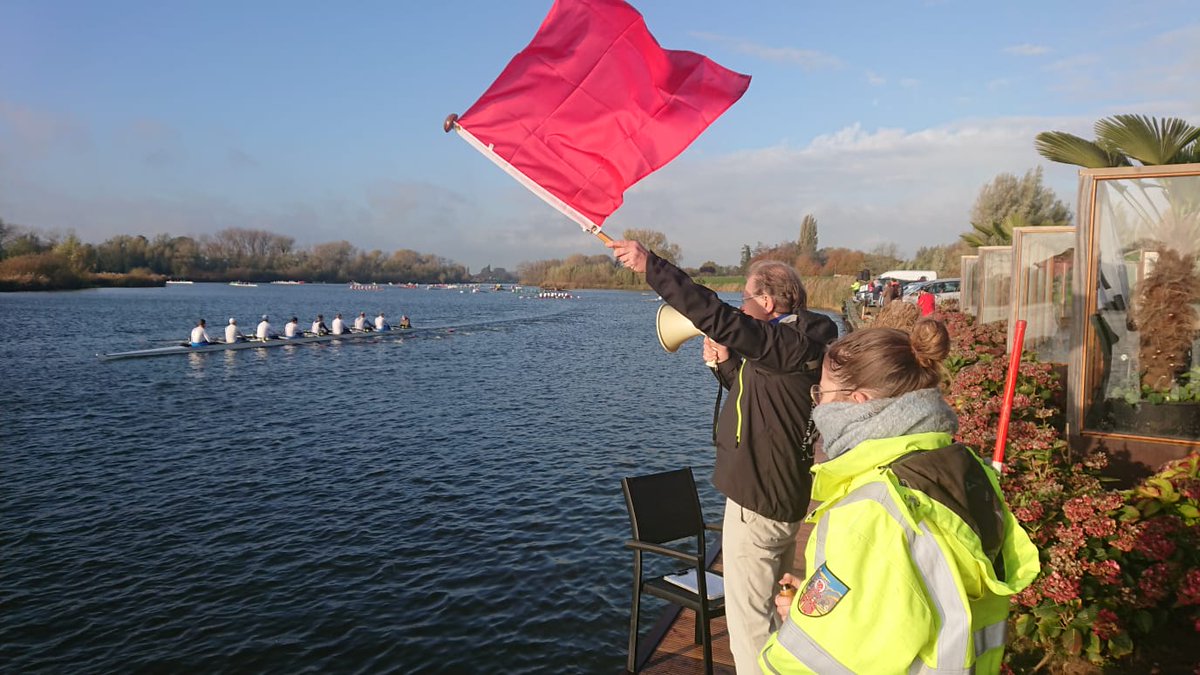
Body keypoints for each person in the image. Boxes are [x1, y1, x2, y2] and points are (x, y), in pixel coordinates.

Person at [758, 320, 1040, 674]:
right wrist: (817, 601)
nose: (816, 405)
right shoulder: (962, 469)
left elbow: (826, 662)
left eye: (822, 393)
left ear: (856, 403)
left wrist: (788, 636)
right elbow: (910, 594)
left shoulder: (871, 509)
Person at [608, 239, 837, 674]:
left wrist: (650, 266)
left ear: (767, 302)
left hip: (757, 501)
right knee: (774, 609)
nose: (740, 308)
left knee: (749, 623)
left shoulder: (783, 344)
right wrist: (724, 366)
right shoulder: (794, 344)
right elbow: (764, 401)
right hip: (781, 494)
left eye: (746, 299)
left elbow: (712, 312)